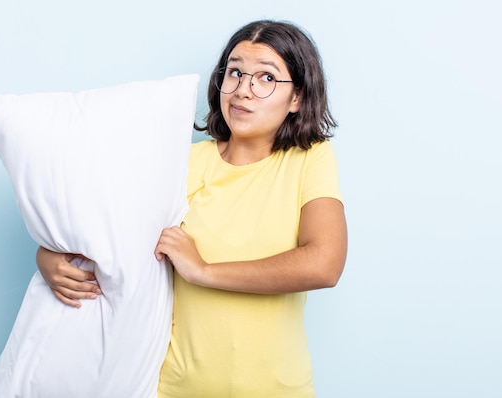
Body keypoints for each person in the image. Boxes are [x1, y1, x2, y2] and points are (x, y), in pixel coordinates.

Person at [36, 19, 347, 397]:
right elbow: (103, 227)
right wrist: (48, 256)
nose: (242, 91)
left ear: (296, 98)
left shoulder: (309, 159)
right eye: (234, 72)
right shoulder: (181, 162)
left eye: (266, 78)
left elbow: (324, 264)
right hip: (175, 389)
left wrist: (203, 271)